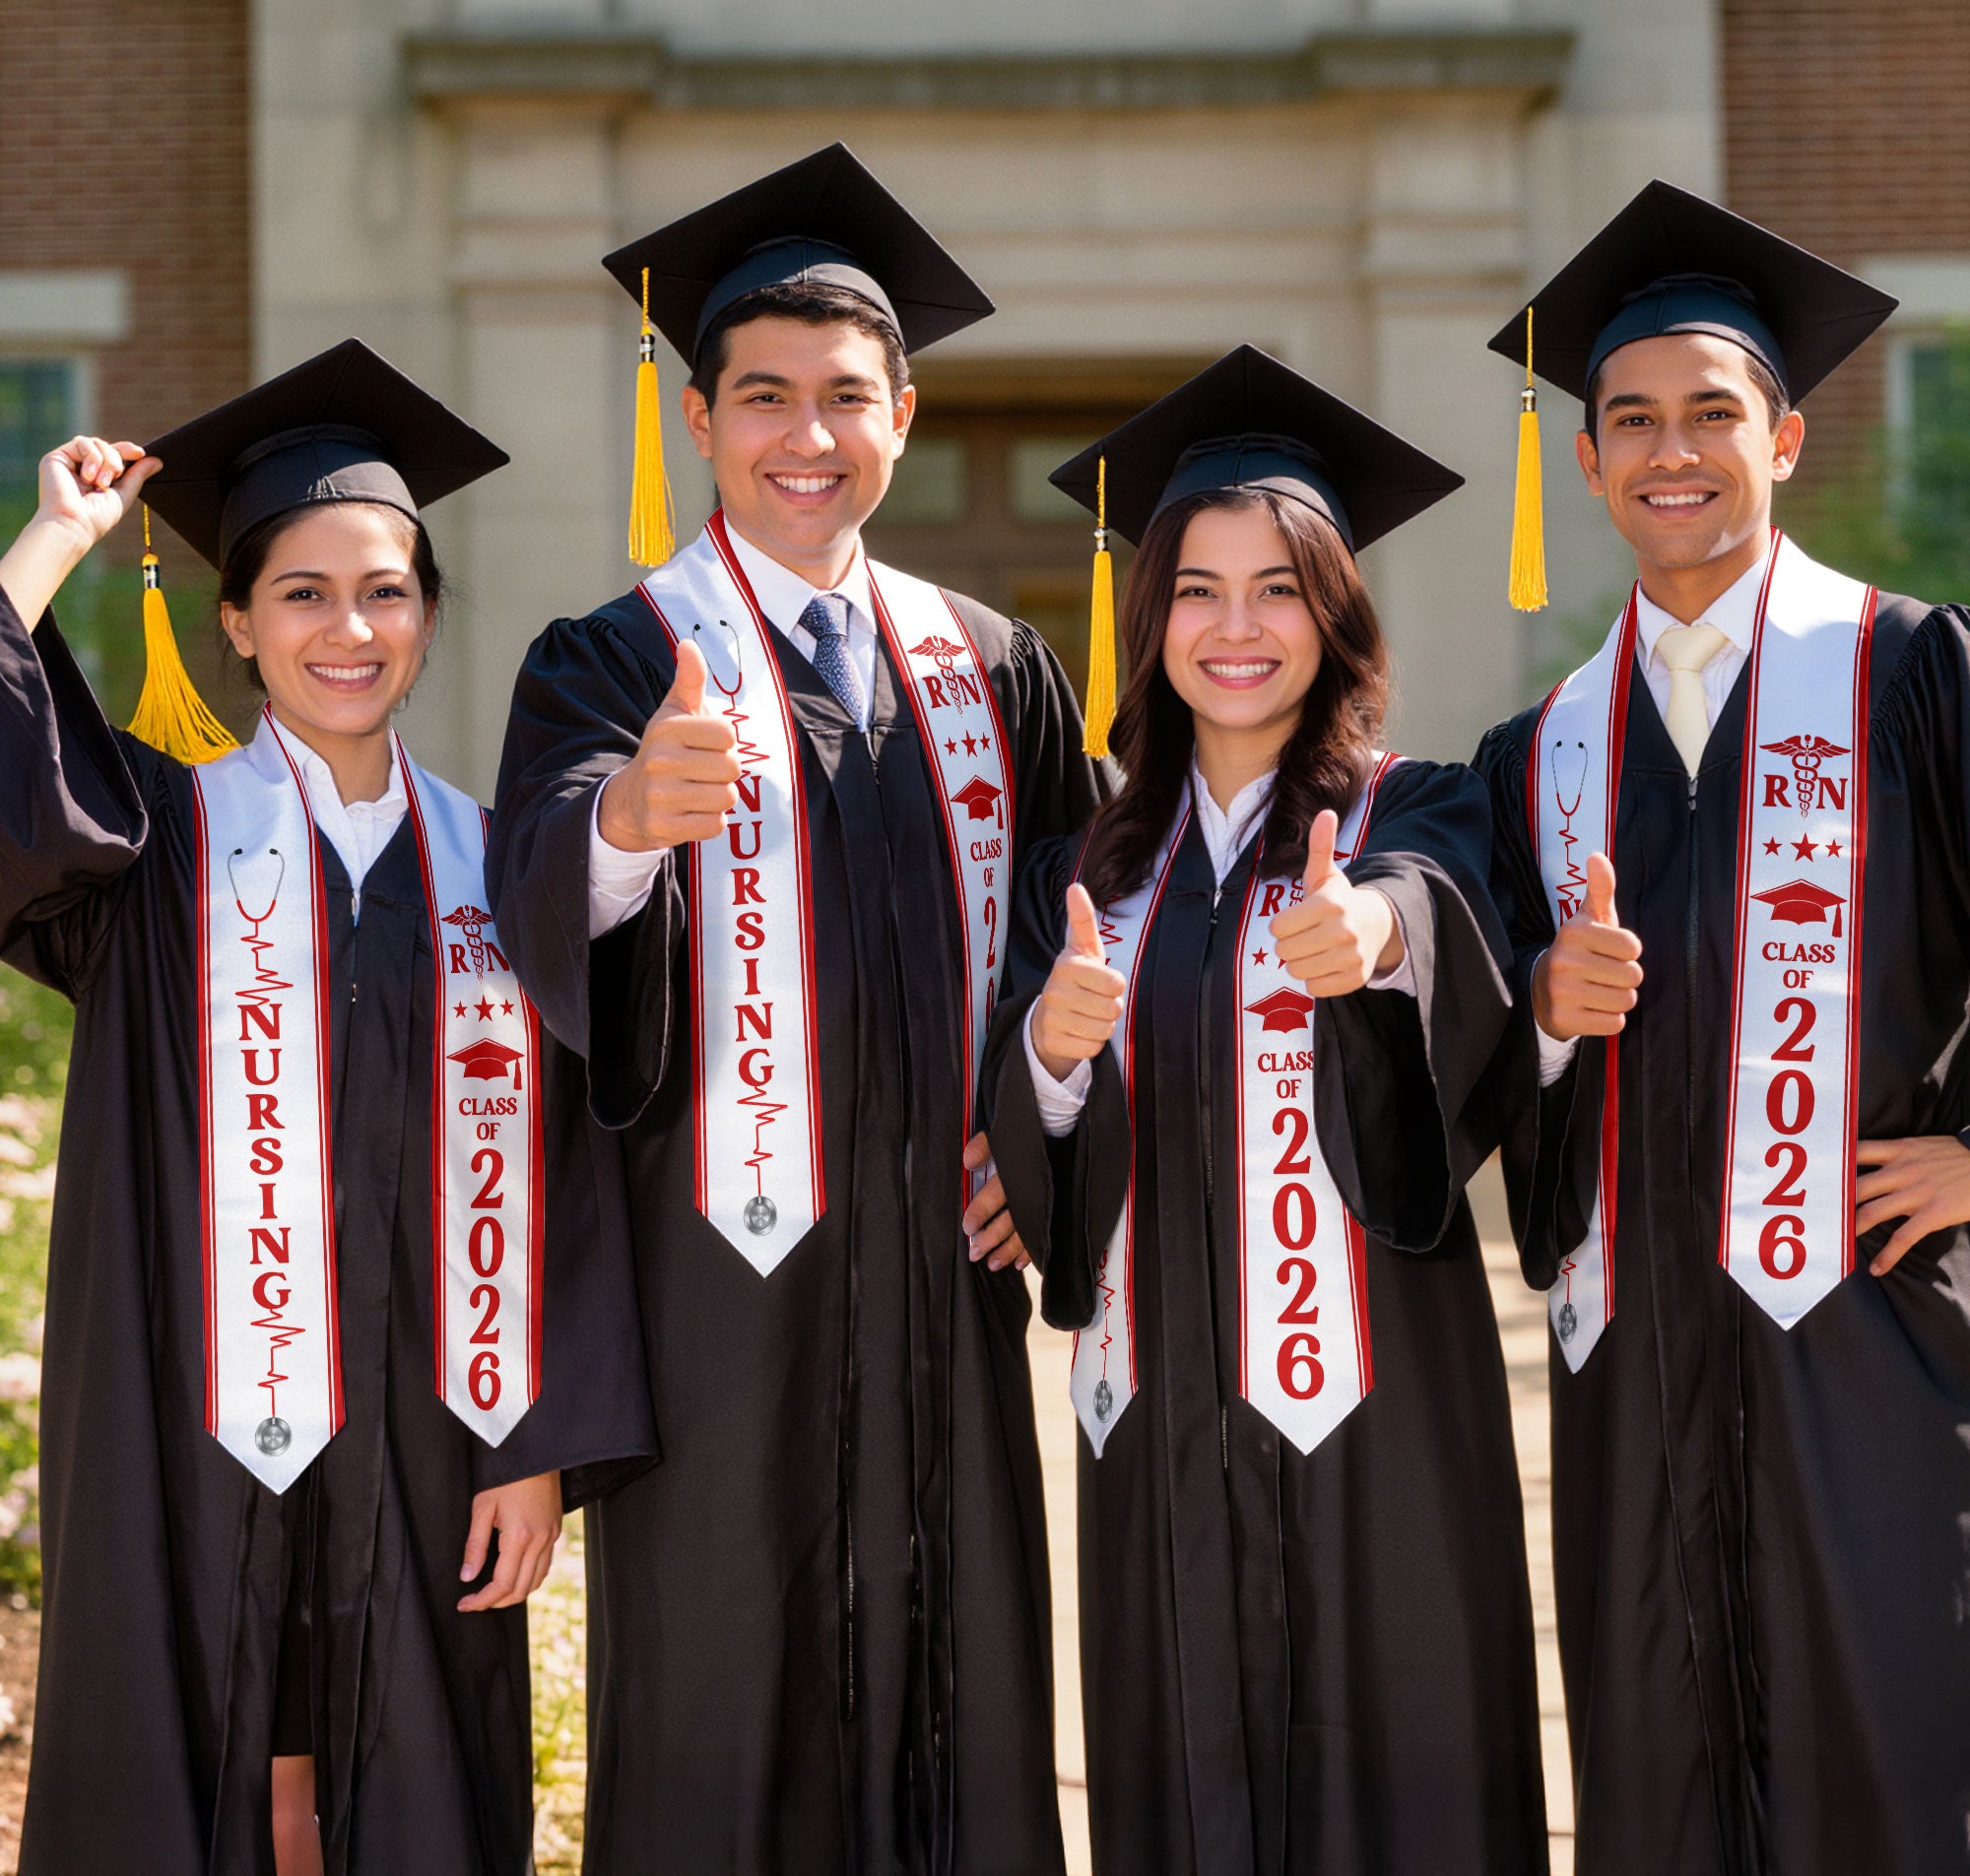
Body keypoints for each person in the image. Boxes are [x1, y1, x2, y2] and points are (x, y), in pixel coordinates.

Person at [488, 144, 1104, 1875]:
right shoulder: (611, 659)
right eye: (764, 397)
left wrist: (1046, 1133)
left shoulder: (993, 665)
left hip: (942, 1282)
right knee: (723, 1703)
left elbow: (1095, 930)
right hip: (718, 1298)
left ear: (904, 413)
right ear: (700, 420)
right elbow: (536, 893)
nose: (806, 436)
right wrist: (621, 823)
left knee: (961, 1688)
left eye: (847, 397)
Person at [0, 340, 655, 1876]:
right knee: (197, 1746)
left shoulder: (507, 866)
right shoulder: (152, 842)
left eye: (385, 590)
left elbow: (575, 1171)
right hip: (189, 1414)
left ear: (428, 614)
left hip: (439, 1429)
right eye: (301, 592)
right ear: (235, 622)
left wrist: (537, 1443)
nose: (347, 628)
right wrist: (51, 543)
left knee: (415, 1774)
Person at [984, 347, 1547, 1875]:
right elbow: (1029, 1124)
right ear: (1149, 616)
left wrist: (1375, 939)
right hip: (1156, 1407)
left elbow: (1446, 922)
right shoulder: (1087, 872)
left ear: (1337, 613)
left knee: (1404, 1770)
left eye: (1281, 588)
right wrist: (1047, 1043)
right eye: (1198, 590)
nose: (1238, 629)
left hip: (1381, 1409)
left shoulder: (1416, 808)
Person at [1475, 181, 1970, 1875]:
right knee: (1657, 1769)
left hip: (1874, 1335)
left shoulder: (1913, 674)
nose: (1669, 451)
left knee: (1891, 1753)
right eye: (1630, 421)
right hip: (1636, 1362)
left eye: (1711, 413)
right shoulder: (1534, 754)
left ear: (1788, 436)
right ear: (1592, 460)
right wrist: (1541, 1015)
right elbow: (1476, 1068)